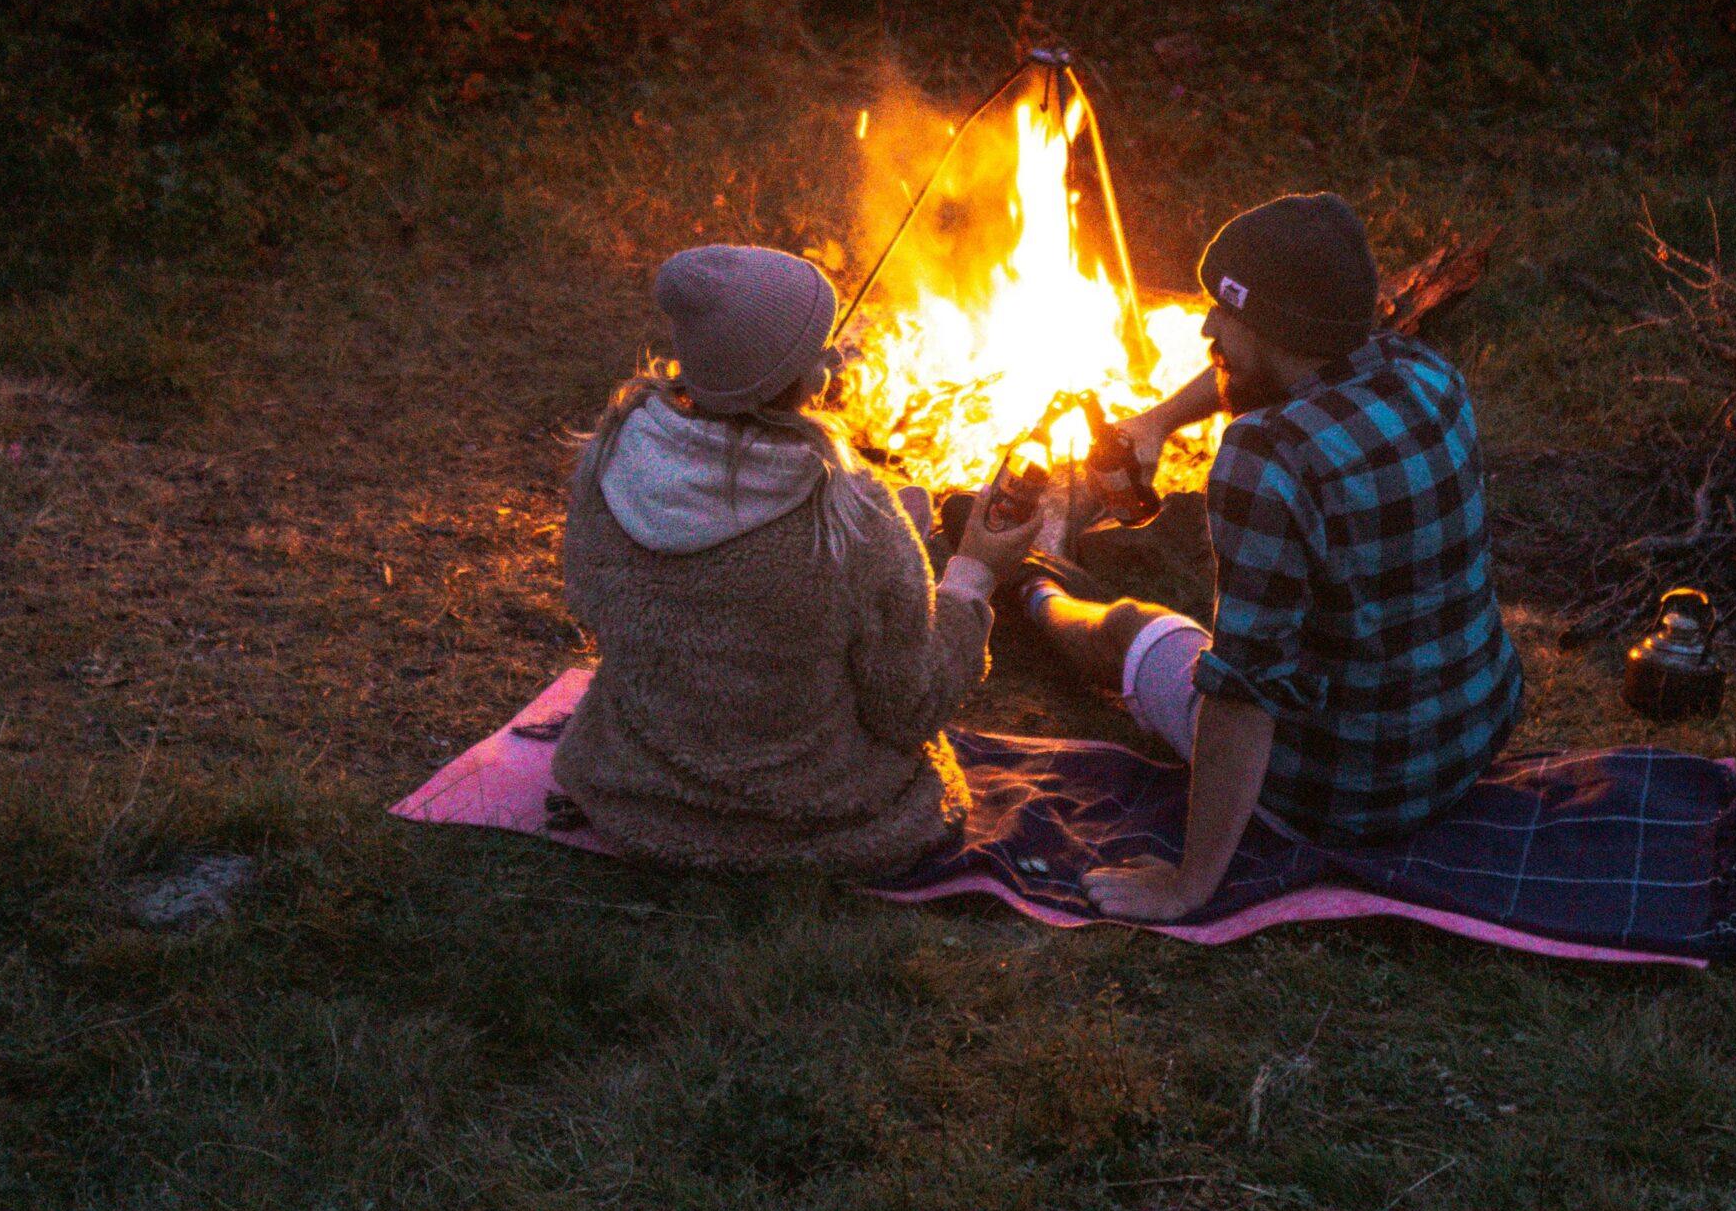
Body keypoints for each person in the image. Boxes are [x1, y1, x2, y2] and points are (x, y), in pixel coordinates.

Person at [1021, 192, 1523, 921]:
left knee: (1130, 625)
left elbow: (1242, 695)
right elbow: (1260, 367)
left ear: (1270, 328)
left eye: (1224, 316)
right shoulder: (1424, 373)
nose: (1205, 328)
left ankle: (1029, 583)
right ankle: (1042, 571)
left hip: (1341, 795)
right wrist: (1158, 420)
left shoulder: (1265, 458)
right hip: (1468, 741)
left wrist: (1189, 885)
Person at [552, 243, 1040, 873]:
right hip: (808, 819)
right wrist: (974, 573)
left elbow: (613, 604)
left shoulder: (610, 463)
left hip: (636, 798)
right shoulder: (848, 522)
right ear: (803, 379)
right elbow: (908, 706)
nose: (834, 357)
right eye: (819, 345)